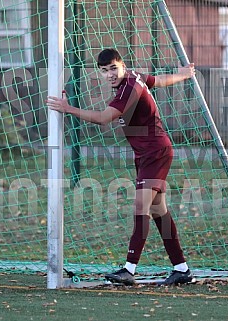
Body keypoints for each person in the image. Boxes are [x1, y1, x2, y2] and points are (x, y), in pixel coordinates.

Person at [47, 48, 195, 286]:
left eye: (113, 68)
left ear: (122, 65)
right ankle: (182, 269)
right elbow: (159, 81)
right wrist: (183, 75)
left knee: (140, 206)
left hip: (155, 152)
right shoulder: (135, 77)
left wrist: (68, 108)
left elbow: (103, 118)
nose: (110, 75)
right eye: (104, 71)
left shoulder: (128, 90)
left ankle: (129, 269)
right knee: (158, 212)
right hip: (147, 154)